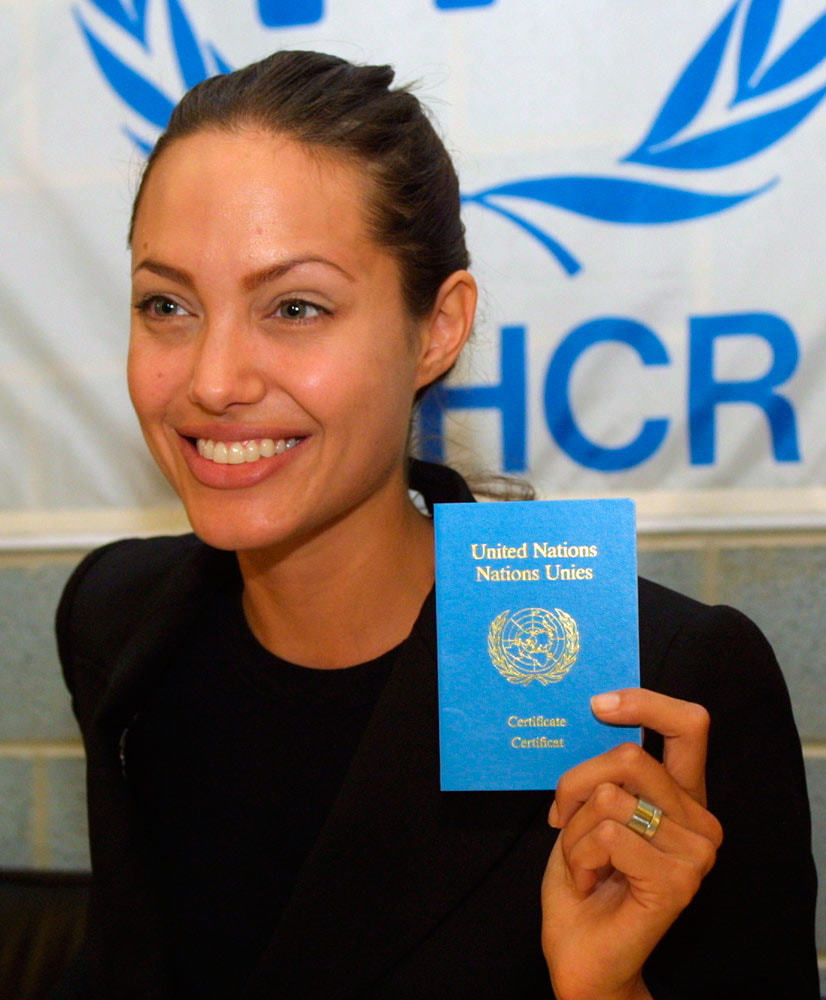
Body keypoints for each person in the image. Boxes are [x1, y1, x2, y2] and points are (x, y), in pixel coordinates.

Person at [56, 50, 818, 999]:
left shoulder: (657, 685)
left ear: (438, 328)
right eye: (166, 304)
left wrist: (605, 991)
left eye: (295, 306)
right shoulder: (116, 618)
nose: (213, 380)